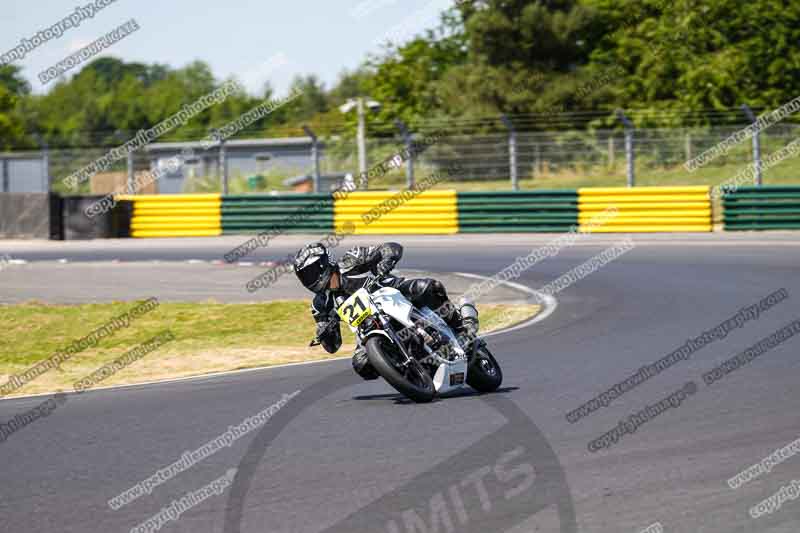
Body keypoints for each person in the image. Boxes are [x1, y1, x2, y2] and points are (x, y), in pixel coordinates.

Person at [293, 241, 478, 380]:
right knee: (361, 364)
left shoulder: (351, 260)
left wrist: (387, 259)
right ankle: (411, 375)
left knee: (428, 287)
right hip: (368, 329)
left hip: (396, 294)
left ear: (323, 264)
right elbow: (333, 346)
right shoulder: (320, 305)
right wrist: (325, 333)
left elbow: (391, 248)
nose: (308, 280)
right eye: (304, 277)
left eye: (309, 273)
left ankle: (462, 329)